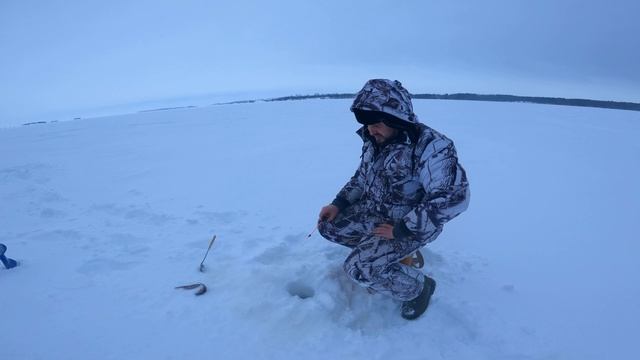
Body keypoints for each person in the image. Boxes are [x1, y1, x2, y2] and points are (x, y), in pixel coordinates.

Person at [317, 79, 469, 320]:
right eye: (366, 124)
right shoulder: (375, 139)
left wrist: (402, 229)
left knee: (358, 268)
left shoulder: (432, 147)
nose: (370, 130)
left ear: (396, 118)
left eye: (376, 123)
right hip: (375, 211)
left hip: (409, 225)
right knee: (328, 226)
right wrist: (338, 203)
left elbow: (454, 197)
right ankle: (386, 258)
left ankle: (419, 289)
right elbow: (361, 177)